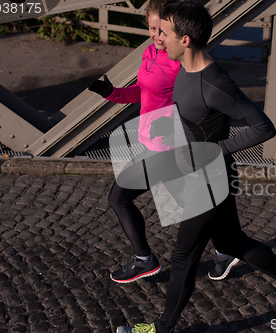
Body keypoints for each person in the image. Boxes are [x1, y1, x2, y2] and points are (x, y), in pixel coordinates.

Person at [116, 2, 276, 332]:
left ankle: (160, 329)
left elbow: (263, 128)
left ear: (185, 40)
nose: (158, 40)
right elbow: (193, 121)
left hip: (208, 182)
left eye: (164, 34)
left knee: (183, 257)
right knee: (230, 243)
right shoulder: (183, 68)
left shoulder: (214, 84)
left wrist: (212, 151)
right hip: (204, 174)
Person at [88, 0, 238, 284]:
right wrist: (112, 93)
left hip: (168, 149)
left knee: (118, 198)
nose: (156, 36)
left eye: (161, 30)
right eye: (151, 28)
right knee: (195, 206)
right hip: (151, 142)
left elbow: (195, 104)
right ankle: (226, 250)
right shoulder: (150, 53)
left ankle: (144, 259)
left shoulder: (178, 61)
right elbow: (144, 93)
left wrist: (176, 129)